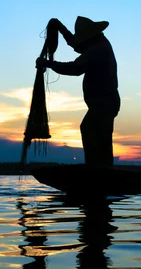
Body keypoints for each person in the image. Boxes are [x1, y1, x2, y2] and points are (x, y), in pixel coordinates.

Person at [36, 16, 120, 167]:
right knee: (98, 135)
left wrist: (48, 63)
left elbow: (75, 68)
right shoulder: (97, 44)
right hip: (104, 102)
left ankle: (97, 169)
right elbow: (76, 44)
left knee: (91, 130)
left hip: (104, 102)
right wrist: (61, 28)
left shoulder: (98, 49)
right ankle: (100, 169)